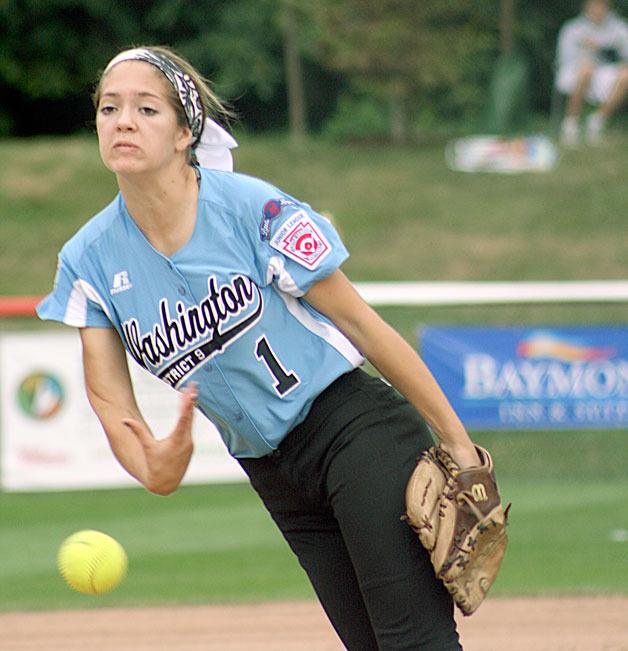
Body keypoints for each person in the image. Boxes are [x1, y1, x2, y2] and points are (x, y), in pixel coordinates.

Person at [37, 45, 482, 650]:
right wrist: (153, 467)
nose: (123, 121)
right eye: (109, 108)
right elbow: (113, 406)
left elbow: (362, 325)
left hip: (353, 430)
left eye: (147, 108)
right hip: (273, 473)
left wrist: (458, 442)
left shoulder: (250, 208)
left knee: (414, 643)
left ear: (183, 133)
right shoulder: (88, 260)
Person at [556, 0, 628, 146]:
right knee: (586, 69)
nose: (597, 9)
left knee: (626, 74)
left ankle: (597, 122)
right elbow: (564, 58)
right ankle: (570, 125)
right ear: (586, 7)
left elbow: (624, 55)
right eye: (594, 5)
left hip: (606, 71)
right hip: (576, 70)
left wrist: (600, 50)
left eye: (601, 5)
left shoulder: (619, 28)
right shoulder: (572, 28)